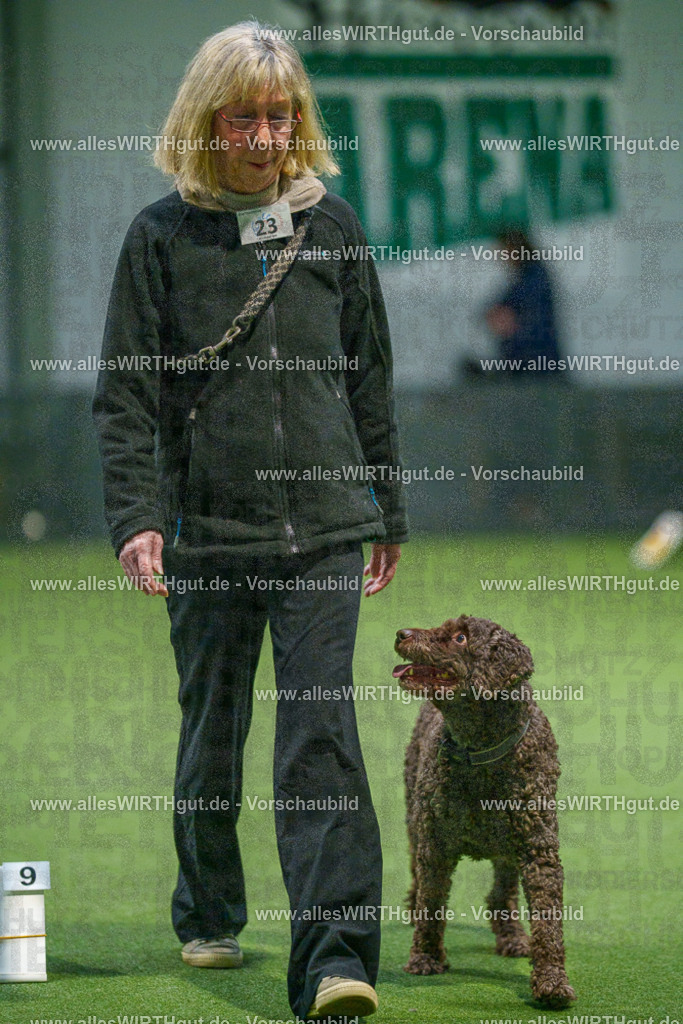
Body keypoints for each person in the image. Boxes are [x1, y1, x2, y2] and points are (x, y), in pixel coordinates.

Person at [92, 21, 408, 1022]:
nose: (265, 136)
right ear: (207, 121)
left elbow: (369, 375)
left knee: (320, 736)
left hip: (319, 530)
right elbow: (125, 393)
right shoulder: (159, 237)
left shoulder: (335, 229)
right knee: (214, 728)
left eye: (280, 116)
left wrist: (385, 504)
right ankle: (209, 903)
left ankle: (332, 959)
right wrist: (140, 515)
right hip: (207, 530)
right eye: (245, 117)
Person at [461, 228, 565, 381]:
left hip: (537, 369)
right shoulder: (528, 277)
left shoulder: (533, 279)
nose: (502, 257)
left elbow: (517, 308)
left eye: (504, 251)